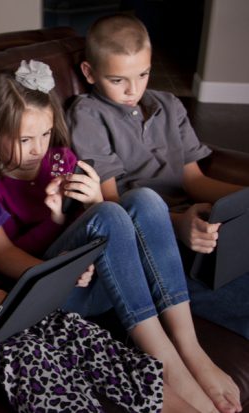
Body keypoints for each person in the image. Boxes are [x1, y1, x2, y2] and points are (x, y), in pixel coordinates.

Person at [0, 83, 201, 413]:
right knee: (30, 354)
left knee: (82, 335)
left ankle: (179, 407)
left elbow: (3, 252)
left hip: (1, 303)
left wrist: (52, 271)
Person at [0, 60, 241, 413]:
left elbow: (101, 225)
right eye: (25, 139)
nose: (38, 149)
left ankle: (189, 347)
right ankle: (165, 362)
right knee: (109, 212)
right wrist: (58, 218)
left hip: (105, 280)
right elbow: (8, 258)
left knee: (143, 200)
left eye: (45, 134)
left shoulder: (60, 159)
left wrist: (92, 203)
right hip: (54, 297)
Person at [67, 13, 249, 340]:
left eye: (143, 74)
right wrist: (179, 224)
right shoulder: (88, 115)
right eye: (118, 79)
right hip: (147, 235)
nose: (133, 89)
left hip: (196, 221)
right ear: (89, 73)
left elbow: (194, 180)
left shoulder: (170, 105)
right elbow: (110, 203)